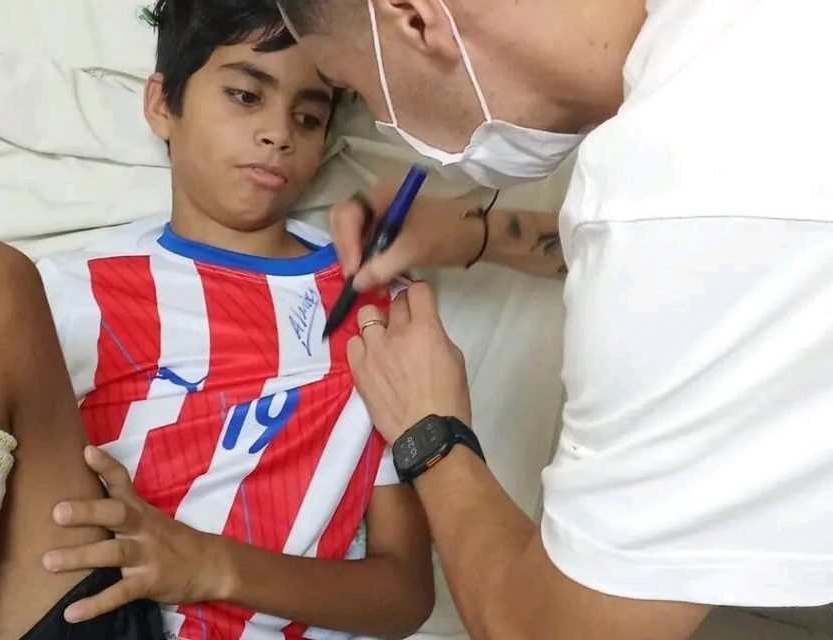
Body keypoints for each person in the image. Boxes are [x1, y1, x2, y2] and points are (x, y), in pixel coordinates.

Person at [0, 0, 434, 638]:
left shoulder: (368, 308)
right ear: (162, 105)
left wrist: (206, 564)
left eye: (308, 116)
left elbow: (404, 592)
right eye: (246, 95)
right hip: (53, 591)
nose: (279, 133)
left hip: (192, 610)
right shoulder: (67, 291)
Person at [273, 0, 833, 638]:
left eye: (353, 89)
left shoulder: (666, 210)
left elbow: (556, 629)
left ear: (416, 18)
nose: (381, 120)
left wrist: (428, 430)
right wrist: (481, 235)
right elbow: (737, 260)